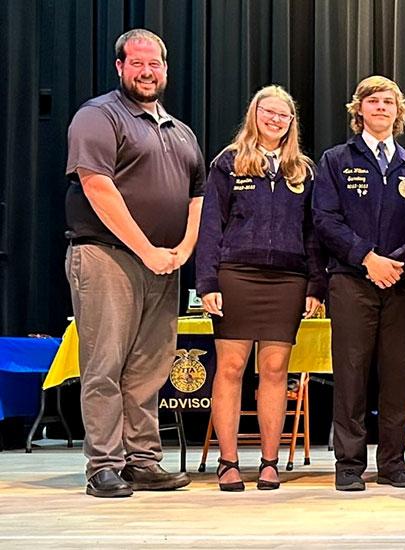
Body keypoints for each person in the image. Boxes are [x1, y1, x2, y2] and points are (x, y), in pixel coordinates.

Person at [64, 28, 201, 498]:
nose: (147, 71)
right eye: (136, 63)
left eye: (154, 63)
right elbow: (96, 186)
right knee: (104, 365)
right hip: (107, 257)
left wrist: (182, 250)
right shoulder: (98, 116)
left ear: (165, 69)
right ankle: (103, 464)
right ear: (120, 67)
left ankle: (142, 460)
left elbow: (198, 195)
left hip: (163, 265)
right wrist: (147, 250)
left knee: (149, 369)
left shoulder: (181, 131)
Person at [195, 85, 325, 491]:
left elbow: (313, 235)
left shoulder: (303, 170)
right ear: (254, 115)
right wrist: (207, 281)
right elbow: (210, 225)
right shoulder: (228, 163)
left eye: (283, 115)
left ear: (291, 123)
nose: (275, 120)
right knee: (231, 369)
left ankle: (270, 462)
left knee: (274, 371)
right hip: (236, 274)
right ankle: (229, 461)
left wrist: (315, 285)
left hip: (288, 279)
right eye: (268, 112)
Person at [314, 76, 405, 491]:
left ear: (399, 112)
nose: (381, 108)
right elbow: (325, 219)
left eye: (389, 102)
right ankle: (348, 464)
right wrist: (366, 257)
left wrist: (393, 264)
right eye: (373, 101)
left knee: (399, 375)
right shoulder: (335, 160)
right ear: (358, 109)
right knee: (351, 373)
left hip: (399, 283)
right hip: (350, 281)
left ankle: (394, 462)